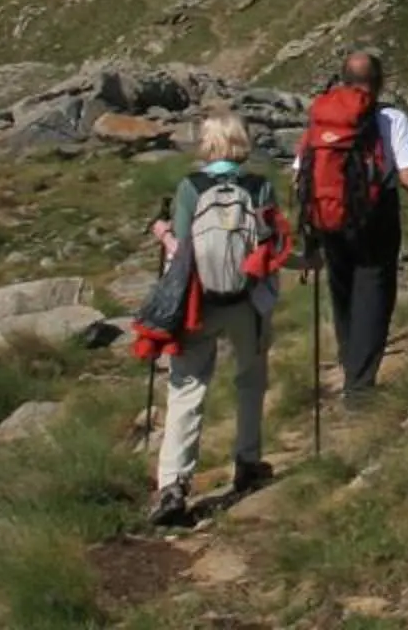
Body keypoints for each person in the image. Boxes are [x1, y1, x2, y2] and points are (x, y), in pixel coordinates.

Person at [143, 108, 290, 526]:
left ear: (207, 143)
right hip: (249, 302)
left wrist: (163, 234)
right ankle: (247, 463)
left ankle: (173, 483)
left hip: (199, 303)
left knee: (187, 387)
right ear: (242, 142)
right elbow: (272, 245)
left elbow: (182, 252)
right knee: (250, 380)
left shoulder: (191, 187)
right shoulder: (260, 188)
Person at [297, 49, 408, 406]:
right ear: (379, 82)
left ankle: (350, 365)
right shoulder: (390, 118)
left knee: (343, 292)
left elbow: (300, 170)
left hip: (328, 216)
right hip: (374, 217)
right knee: (374, 292)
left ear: (343, 79)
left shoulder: (322, 117)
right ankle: (360, 387)